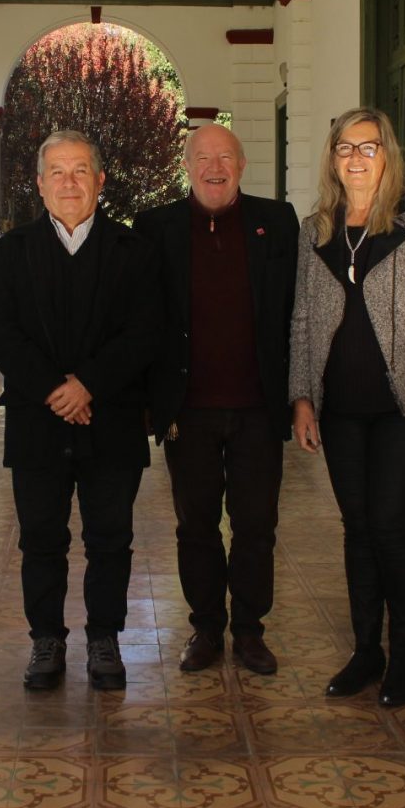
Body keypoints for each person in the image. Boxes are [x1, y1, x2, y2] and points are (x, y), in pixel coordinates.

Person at [0, 130, 160, 691]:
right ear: (39, 184)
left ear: (100, 180)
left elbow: (145, 331)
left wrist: (88, 386)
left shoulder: (134, 252)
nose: (69, 182)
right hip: (38, 421)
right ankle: (46, 641)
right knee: (41, 539)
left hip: (113, 421)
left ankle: (104, 637)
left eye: (80, 170)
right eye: (57, 172)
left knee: (110, 538)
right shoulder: (9, 252)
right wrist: (57, 390)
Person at [288, 109, 405, 708]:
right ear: (332, 158)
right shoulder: (316, 231)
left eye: (369, 147)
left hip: (403, 407)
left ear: (389, 154)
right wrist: (302, 398)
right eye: (345, 148)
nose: (356, 158)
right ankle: (366, 650)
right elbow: (302, 319)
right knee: (357, 530)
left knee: (393, 528)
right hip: (341, 408)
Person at [134, 124, 298, 676]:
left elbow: (296, 313)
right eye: (203, 157)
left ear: (243, 165)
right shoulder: (155, 228)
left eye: (225, 156)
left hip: (257, 406)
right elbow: (144, 319)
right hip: (189, 410)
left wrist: (301, 396)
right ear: (186, 166)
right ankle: (206, 627)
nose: (214, 166)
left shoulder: (276, 223)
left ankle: (250, 631)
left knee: (256, 525)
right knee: (195, 526)